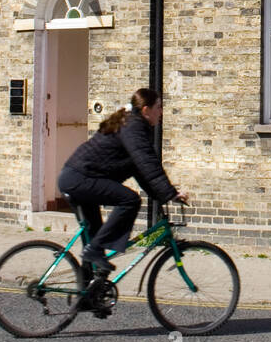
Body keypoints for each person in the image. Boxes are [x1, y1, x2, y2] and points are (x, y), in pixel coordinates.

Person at [57, 88, 187, 310]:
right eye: (158, 108)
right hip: (79, 179)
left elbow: (140, 169)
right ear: (146, 110)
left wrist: (162, 195)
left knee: (95, 235)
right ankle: (95, 251)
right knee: (130, 200)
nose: (161, 112)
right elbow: (147, 162)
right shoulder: (134, 127)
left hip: (78, 178)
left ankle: (88, 297)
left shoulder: (134, 125)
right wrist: (169, 192)